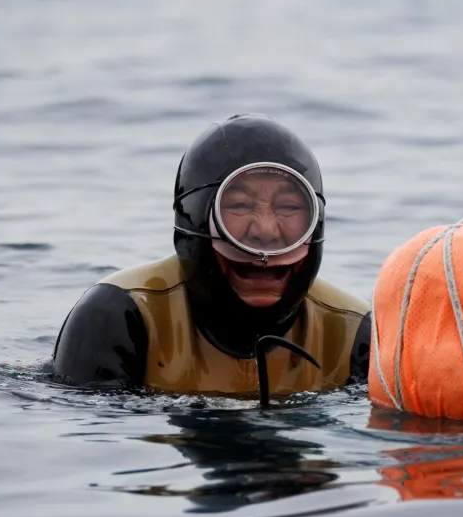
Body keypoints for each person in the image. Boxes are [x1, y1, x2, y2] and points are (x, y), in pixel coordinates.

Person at [51, 113, 371, 396]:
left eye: (288, 207)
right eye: (239, 206)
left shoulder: (353, 334)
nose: (265, 231)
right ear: (197, 218)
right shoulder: (119, 316)